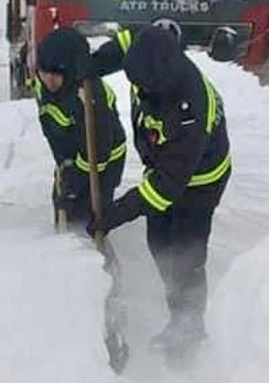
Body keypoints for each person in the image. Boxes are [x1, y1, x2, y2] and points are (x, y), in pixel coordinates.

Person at [87, 26, 232, 353]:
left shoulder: (188, 113)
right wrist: (94, 64)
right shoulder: (150, 54)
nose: (138, 91)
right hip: (165, 167)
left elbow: (164, 189)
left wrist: (114, 214)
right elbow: (128, 39)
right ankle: (175, 300)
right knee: (159, 242)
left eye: (144, 87)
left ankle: (188, 327)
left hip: (201, 182)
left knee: (185, 253)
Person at [31, 27, 127, 232]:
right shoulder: (42, 85)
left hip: (104, 160)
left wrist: (73, 184)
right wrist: (65, 167)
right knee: (64, 205)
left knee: (89, 214)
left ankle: (89, 246)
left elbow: (98, 152)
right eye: (44, 72)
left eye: (56, 75)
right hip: (72, 154)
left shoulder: (89, 96)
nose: (49, 80)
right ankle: (64, 240)